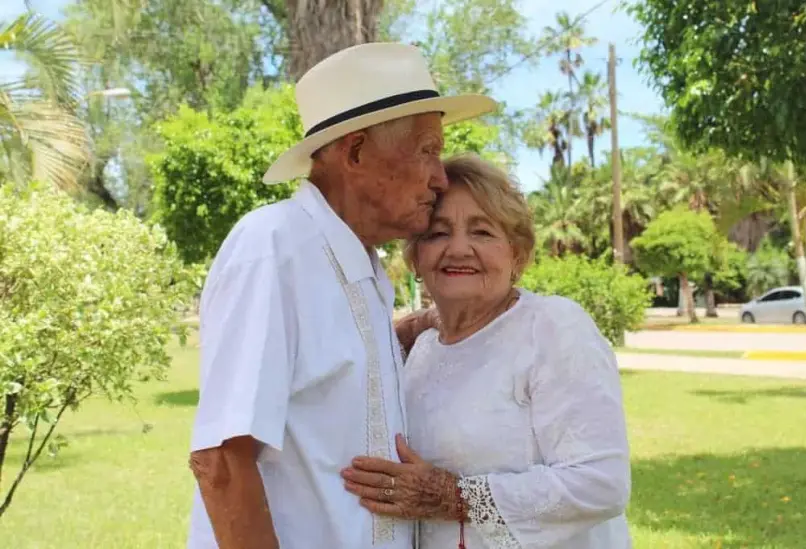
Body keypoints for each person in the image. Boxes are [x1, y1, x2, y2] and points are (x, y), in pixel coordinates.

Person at [185, 44, 496, 549]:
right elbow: (220, 458)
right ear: (354, 153)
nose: (440, 178)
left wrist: (401, 335)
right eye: (427, 150)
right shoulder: (275, 246)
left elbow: (325, 382)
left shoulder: (364, 269)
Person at [341, 154, 632, 548]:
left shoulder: (550, 327)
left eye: (481, 232)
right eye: (437, 233)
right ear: (416, 259)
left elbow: (601, 483)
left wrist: (453, 497)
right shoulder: (422, 350)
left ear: (516, 253)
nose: (458, 249)